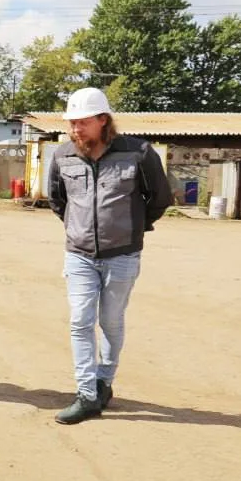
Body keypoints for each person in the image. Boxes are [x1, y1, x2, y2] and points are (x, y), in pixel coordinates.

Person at [48, 87, 171, 425]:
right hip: (79, 254)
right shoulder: (62, 156)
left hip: (123, 256)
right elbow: (58, 200)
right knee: (80, 320)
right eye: (72, 124)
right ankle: (87, 394)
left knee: (111, 321)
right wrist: (79, 228)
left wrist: (132, 228)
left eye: (83, 123)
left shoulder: (139, 153)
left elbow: (159, 199)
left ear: (104, 120)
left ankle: (104, 380)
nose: (76, 130)